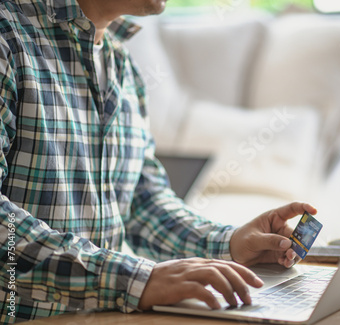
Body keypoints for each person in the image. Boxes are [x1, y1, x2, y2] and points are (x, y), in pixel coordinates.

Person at [0, 0, 318, 322]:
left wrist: (231, 243)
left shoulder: (121, 65)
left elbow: (142, 204)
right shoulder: (7, 37)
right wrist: (133, 279)